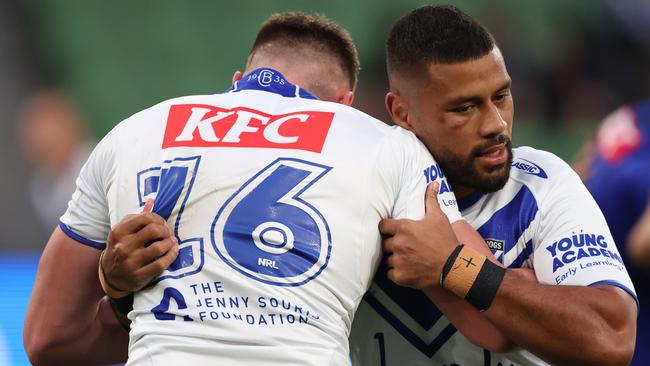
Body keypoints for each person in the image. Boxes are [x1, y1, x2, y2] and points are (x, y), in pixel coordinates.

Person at [24, 12, 496, 365]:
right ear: (344, 103)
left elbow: (48, 339)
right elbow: (493, 323)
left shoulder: (134, 132)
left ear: (237, 83)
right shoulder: (384, 144)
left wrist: (124, 296)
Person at [349, 5, 638, 366]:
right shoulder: (356, 190)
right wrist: (527, 293)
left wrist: (454, 265)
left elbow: (612, 339)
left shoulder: (542, 184)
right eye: (464, 108)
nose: (496, 124)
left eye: (501, 96)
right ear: (402, 113)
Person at [579, 99, 650, 365]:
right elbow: (643, 246)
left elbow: (573, 178)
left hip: (585, 319)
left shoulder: (626, 116)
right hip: (635, 339)